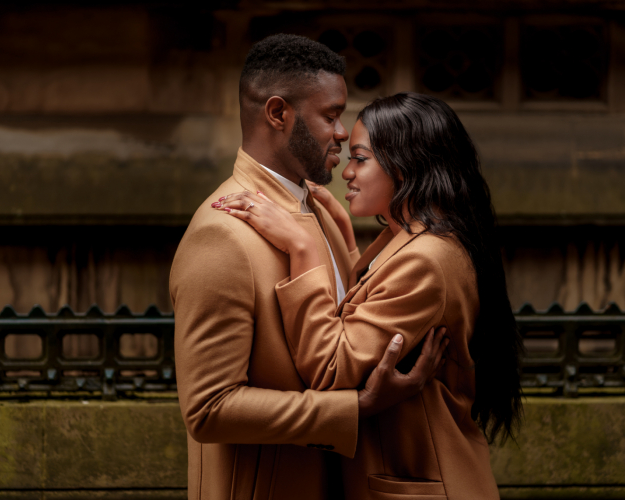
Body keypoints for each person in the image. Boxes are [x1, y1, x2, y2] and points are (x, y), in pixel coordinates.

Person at [170, 36, 447, 500]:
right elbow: (209, 408)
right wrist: (356, 408)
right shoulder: (222, 235)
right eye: (331, 115)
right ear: (278, 114)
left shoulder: (319, 210)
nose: (343, 132)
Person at [214, 92, 524, 500]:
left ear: (406, 165)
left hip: (426, 484)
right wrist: (347, 243)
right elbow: (375, 305)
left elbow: (330, 369)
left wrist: (302, 247)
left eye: (360, 159)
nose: (346, 171)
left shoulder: (428, 259)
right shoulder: (423, 236)